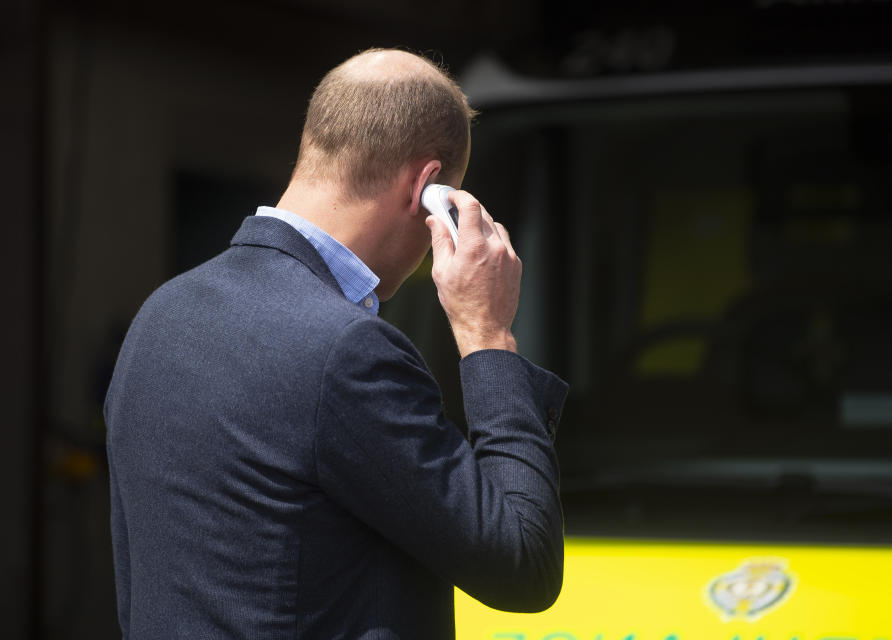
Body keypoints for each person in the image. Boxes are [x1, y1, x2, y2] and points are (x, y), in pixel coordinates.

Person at [104, 47, 568, 638]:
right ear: (426, 188)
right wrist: (488, 332)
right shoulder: (349, 351)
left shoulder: (161, 314)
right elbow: (522, 563)